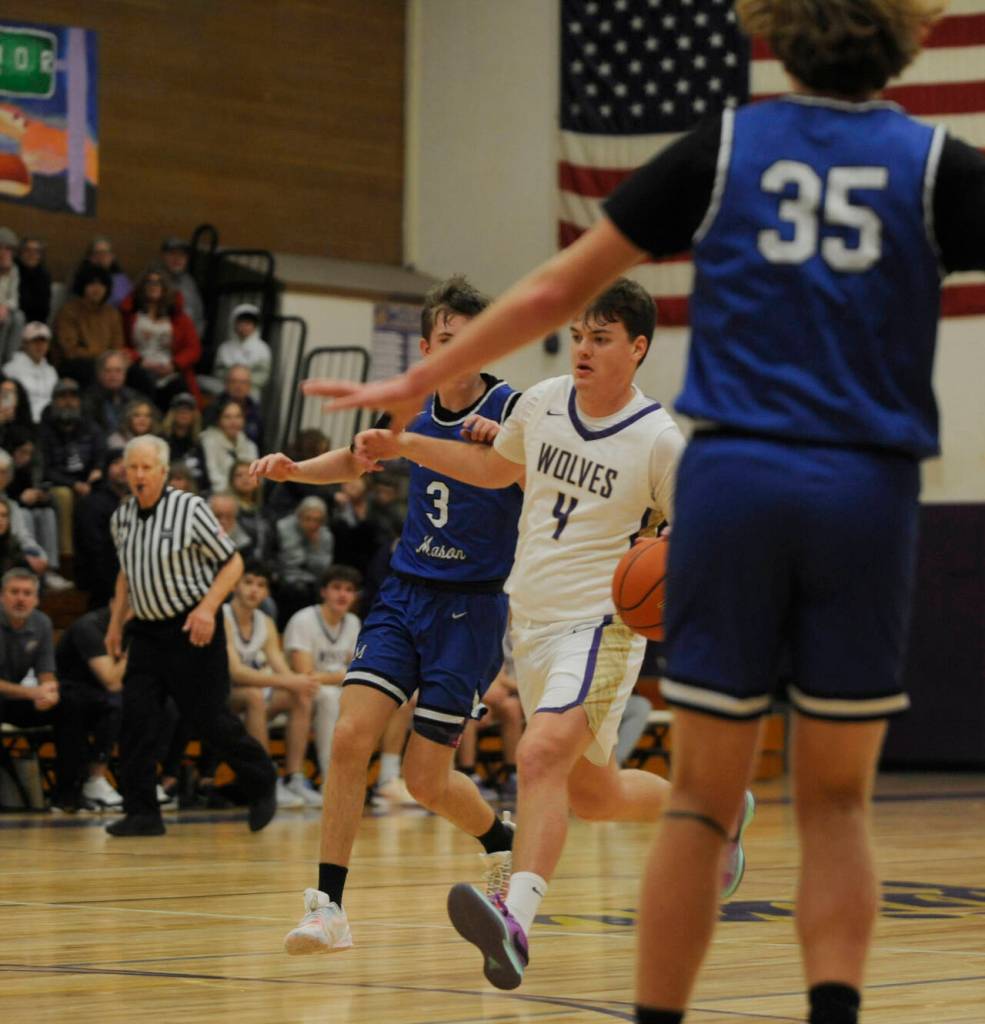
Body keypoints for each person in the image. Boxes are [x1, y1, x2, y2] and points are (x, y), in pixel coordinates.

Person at [317, 2, 985, 1019]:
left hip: (736, 480)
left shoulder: (727, 149)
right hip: (863, 492)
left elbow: (554, 286)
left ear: (775, 27)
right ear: (903, 33)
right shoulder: (934, 165)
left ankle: (614, 979)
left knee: (697, 803)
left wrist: (418, 380)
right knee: (835, 804)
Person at [357, 279, 753, 991]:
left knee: (538, 754)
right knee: (592, 796)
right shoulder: (540, 403)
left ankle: (514, 922)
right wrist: (408, 444)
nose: (582, 350)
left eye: (600, 338)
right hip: (531, 622)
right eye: (576, 336)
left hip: (602, 627)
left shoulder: (660, 442)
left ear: (637, 347)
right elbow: (492, 469)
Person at [251, 275, 523, 954]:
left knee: (425, 779)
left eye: (470, 341)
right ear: (426, 347)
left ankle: (499, 839)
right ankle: (329, 909)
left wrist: (508, 442)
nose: (456, 351)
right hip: (404, 594)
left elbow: (524, 469)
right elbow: (356, 458)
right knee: (350, 736)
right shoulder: (410, 407)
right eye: (445, 339)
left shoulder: (512, 410)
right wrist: (294, 470)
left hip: (471, 606)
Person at [104, 435, 277, 836]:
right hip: (146, 632)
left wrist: (207, 608)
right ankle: (142, 812)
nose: (140, 475)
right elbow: (126, 574)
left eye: (147, 467)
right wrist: (115, 624)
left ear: (163, 472)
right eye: (133, 467)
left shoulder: (190, 508)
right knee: (137, 720)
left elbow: (232, 563)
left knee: (210, 720)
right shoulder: (121, 517)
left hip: (192, 629)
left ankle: (261, 779)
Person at [222, 561, 322, 808]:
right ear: (234, 585)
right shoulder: (221, 616)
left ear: (266, 592)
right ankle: (267, 781)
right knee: (255, 695)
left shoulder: (264, 621)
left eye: (261, 585)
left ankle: (294, 778)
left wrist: (297, 682)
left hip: (253, 695)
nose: (254, 590)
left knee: (300, 695)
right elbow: (236, 673)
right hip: (220, 695)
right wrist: (288, 679)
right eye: (248, 583)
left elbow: (279, 665)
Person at [0, 568, 86, 810]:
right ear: (2, 596)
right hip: (8, 697)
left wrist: (50, 692)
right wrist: (32, 693)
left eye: (27, 593)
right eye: (14, 592)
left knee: (70, 704)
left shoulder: (42, 623)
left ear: (36, 599)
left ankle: (67, 794)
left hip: (13, 700)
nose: (20, 598)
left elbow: (46, 671)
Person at [282, 565, 362, 787]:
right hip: (295, 692)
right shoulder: (304, 620)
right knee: (328, 696)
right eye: (337, 588)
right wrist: (343, 675)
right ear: (323, 591)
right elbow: (306, 675)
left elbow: (358, 670)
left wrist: (341, 676)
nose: (343, 595)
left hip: (336, 691)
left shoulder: (353, 623)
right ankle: (330, 779)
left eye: (349, 590)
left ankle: (381, 778)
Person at [54, 605, 129, 810]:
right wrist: (132, 651)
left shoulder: (138, 627)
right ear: (115, 601)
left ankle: (161, 780)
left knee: (169, 707)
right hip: (74, 692)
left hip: (104, 695)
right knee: (114, 704)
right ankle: (95, 778)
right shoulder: (89, 627)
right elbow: (111, 681)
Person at [40, 378, 107, 561]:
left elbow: (101, 454)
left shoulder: (90, 425)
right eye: (62, 397)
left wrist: (98, 470)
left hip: (88, 482)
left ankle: (102, 556)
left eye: (73, 397)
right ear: (54, 401)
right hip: (56, 483)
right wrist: (73, 483)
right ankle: (66, 557)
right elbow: (45, 468)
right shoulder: (44, 429)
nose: (68, 401)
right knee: (65, 496)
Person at [121, 267, 202, 410]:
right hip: (138, 366)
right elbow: (119, 343)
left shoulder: (179, 317)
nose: (154, 286)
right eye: (149, 282)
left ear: (165, 288)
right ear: (142, 286)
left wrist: (174, 365)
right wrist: (139, 360)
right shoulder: (129, 314)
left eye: (158, 283)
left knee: (179, 388)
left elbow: (193, 348)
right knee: (141, 379)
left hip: (169, 369)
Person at [53, 264, 125, 387]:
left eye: (101, 284)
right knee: (93, 370)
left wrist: (112, 360)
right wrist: (102, 356)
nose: (97, 288)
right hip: (74, 363)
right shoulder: (69, 311)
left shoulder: (112, 313)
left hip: (106, 362)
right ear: (83, 286)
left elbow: (117, 345)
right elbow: (70, 350)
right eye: (92, 284)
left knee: (136, 373)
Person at [73, 448, 128, 608]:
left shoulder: (135, 501)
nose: (123, 467)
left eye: (127, 463)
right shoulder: (92, 503)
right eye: (116, 463)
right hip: (101, 587)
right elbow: (95, 551)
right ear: (106, 469)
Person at [199, 398, 258, 494]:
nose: (233, 422)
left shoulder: (250, 446)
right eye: (227, 417)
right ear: (219, 420)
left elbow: (255, 478)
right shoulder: (208, 442)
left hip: (247, 495)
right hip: (219, 495)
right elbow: (213, 478)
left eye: (238, 416)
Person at [3, 321, 57, 423]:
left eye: (43, 341)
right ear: (24, 343)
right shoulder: (10, 370)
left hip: (49, 423)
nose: (39, 346)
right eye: (35, 341)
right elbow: (6, 406)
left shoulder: (51, 371)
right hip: (22, 423)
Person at [212, 307, 271, 399]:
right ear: (234, 324)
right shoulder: (224, 348)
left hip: (251, 393)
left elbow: (263, 375)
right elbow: (218, 371)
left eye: (248, 323)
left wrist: (243, 381)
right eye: (241, 322)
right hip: (226, 390)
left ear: (255, 326)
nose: (244, 327)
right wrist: (232, 379)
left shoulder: (262, 349)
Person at [81, 350, 141, 438]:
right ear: (99, 374)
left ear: (124, 373)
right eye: (108, 371)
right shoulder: (88, 400)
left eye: (118, 370)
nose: (113, 375)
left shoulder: (134, 397)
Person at [203, 364, 264, 448]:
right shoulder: (213, 408)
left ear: (249, 386)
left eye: (243, 382)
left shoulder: (256, 412)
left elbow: (260, 445)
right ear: (226, 384)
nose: (238, 386)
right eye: (234, 381)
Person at [160, 392, 207, 492]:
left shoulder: (197, 442)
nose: (184, 413)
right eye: (180, 410)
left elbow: (204, 477)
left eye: (188, 410)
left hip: (196, 492)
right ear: (172, 414)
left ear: (194, 415)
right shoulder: (161, 442)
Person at [160, 237, 204, 338]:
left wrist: (194, 339)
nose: (177, 258)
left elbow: (199, 317)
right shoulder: (153, 278)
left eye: (182, 255)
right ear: (163, 256)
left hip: (186, 339)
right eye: (172, 254)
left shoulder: (189, 282)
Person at [73, 236, 131, 308]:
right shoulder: (79, 278)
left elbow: (130, 307)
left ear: (112, 257)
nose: (101, 257)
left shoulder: (122, 281)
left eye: (105, 253)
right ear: (89, 257)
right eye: (97, 253)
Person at [0, 227, 26, 365]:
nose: (4, 252)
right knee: (6, 320)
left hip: (4, 310)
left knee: (19, 317)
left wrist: (5, 307)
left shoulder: (13, 270)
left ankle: (10, 363)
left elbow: (14, 298)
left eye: (8, 249)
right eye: (1, 247)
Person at [15, 236, 51, 326]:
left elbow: (44, 308)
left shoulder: (44, 276)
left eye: (36, 251)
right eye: (27, 250)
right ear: (20, 253)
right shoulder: (12, 271)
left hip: (35, 323)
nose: (32, 255)